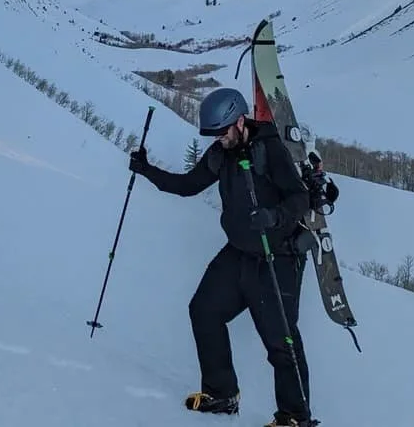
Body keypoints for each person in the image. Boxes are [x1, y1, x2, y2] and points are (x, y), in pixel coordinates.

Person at [128, 87, 337, 427]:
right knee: (204, 310)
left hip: (278, 256)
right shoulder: (220, 153)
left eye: (222, 132)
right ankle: (221, 394)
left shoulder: (270, 150)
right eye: (214, 134)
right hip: (239, 252)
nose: (219, 139)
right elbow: (187, 186)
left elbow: (299, 198)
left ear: (240, 121)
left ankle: (295, 417)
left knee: (281, 341)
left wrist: (276, 217)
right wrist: (147, 170)